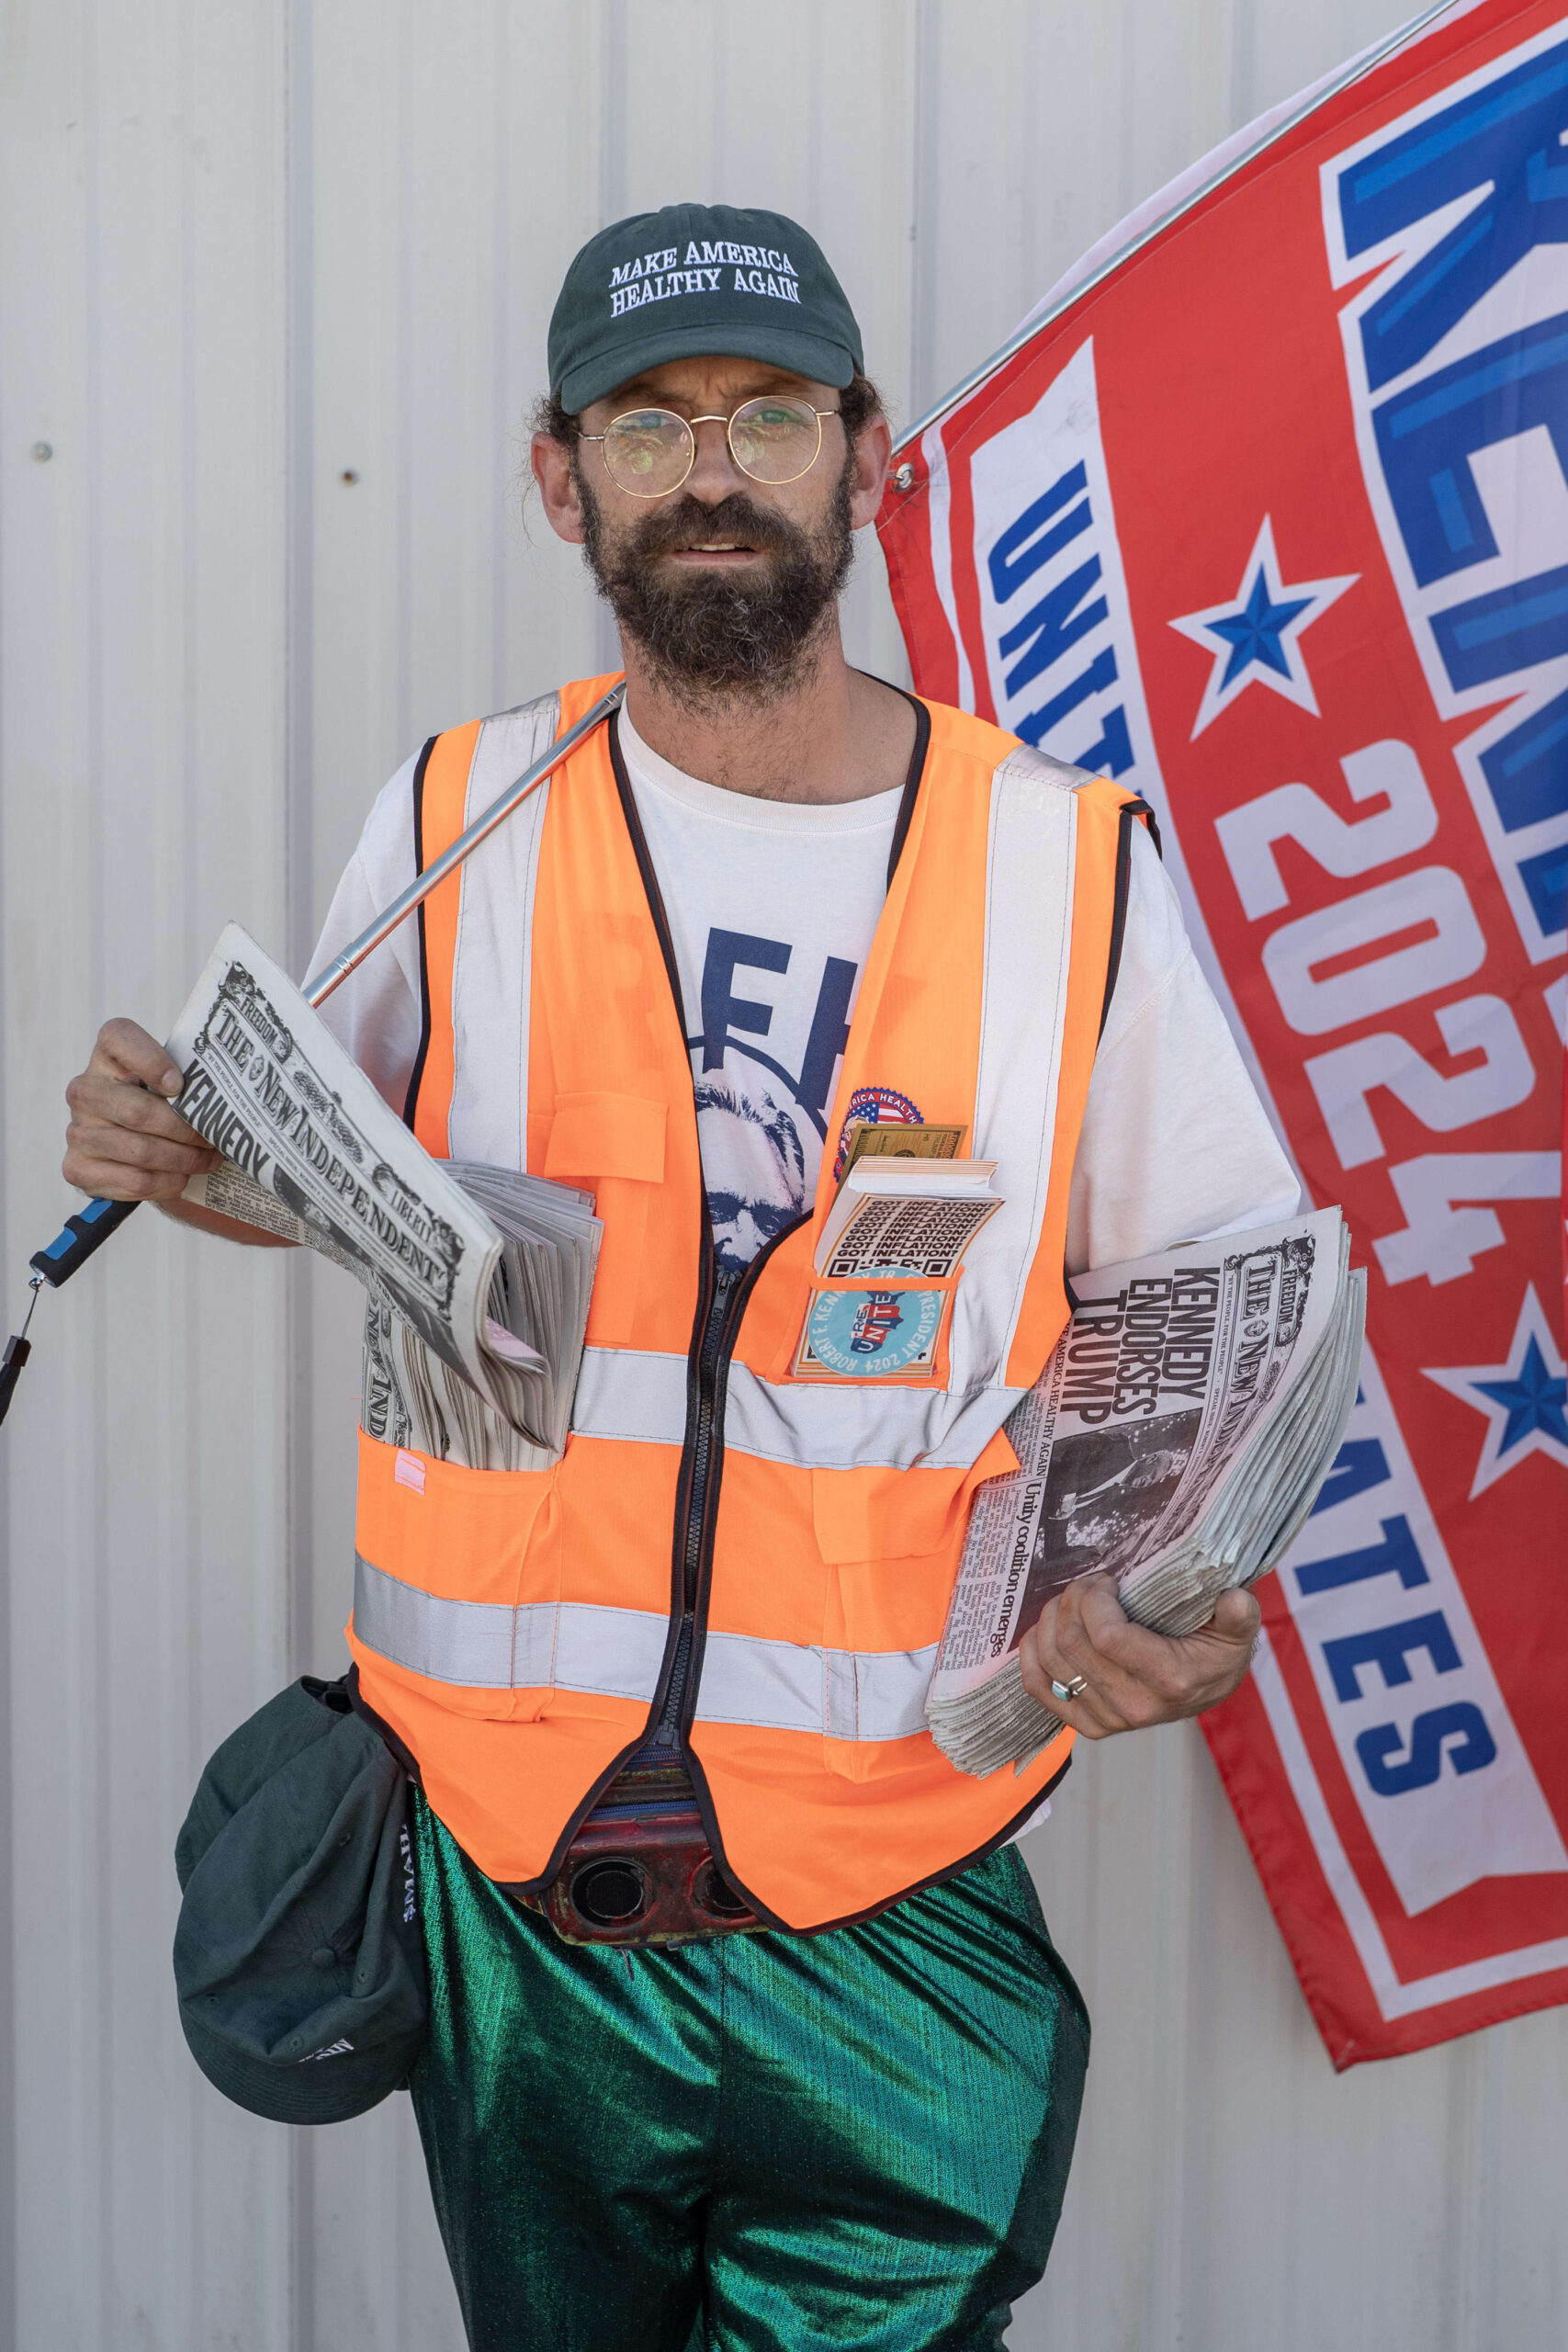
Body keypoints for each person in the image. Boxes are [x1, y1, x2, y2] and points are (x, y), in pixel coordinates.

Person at [62, 203, 1298, 2350]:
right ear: (561, 478)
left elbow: (1203, 1310)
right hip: (504, 1880)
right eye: (648, 431)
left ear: (864, 452)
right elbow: (323, 1178)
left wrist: (1174, 1598)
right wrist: (182, 1162)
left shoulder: (1064, 864)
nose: (709, 469)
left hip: (888, 1886)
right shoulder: (458, 815)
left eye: (761, 415)